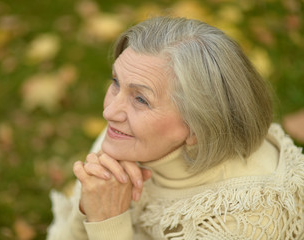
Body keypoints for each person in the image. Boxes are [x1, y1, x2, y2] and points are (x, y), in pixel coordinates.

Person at [47, 16, 304, 239]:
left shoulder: (243, 220)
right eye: (116, 82)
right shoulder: (126, 139)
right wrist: (89, 208)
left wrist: (107, 223)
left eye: (141, 99)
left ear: (197, 128)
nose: (109, 111)